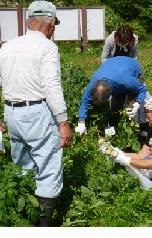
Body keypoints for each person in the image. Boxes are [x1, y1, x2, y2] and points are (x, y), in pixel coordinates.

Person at [0, 0, 72, 226]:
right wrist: (63, 122)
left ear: (29, 22)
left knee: (22, 164)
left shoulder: (7, 46)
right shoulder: (47, 47)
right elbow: (51, 86)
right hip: (37, 112)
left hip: (11, 112)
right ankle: (43, 225)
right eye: (55, 25)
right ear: (49, 24)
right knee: (49, 165)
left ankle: (21, 216)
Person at [75, 56, 147, 135]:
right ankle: (115, 129)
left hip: (132, 67)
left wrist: (137, 103)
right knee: (116, 107)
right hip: (114, 67)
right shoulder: (94, 84)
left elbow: (142, 90)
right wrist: (81, 123)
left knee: (133, 103)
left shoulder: (126, 81)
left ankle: (142, 127)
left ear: (110, 94)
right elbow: (85, 100)